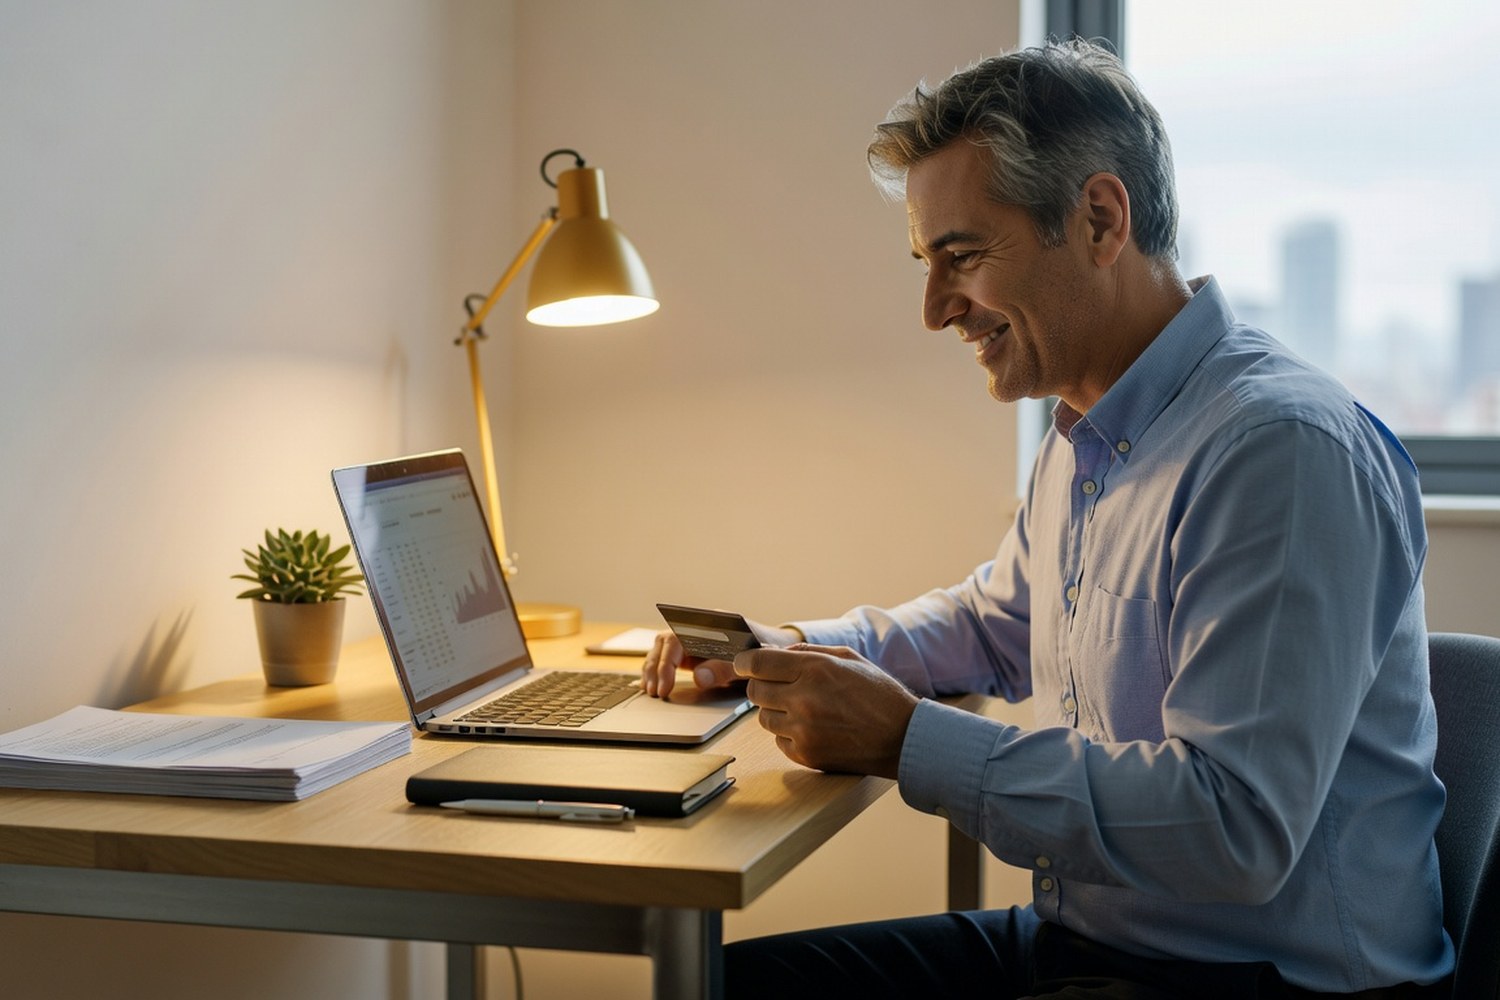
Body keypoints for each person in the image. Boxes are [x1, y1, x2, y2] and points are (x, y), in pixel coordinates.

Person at [641, 38, 1454, 1000]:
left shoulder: (1278, 453)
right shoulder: (1085, 430)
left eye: (963, 257)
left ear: (1100, 219)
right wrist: (783, 651)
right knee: (716, 986)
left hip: (1260, 982)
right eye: (925, 263)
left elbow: (1235, 828)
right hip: (1095, 940)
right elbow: (996, 624)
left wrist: (906, 739)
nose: (936, 309)